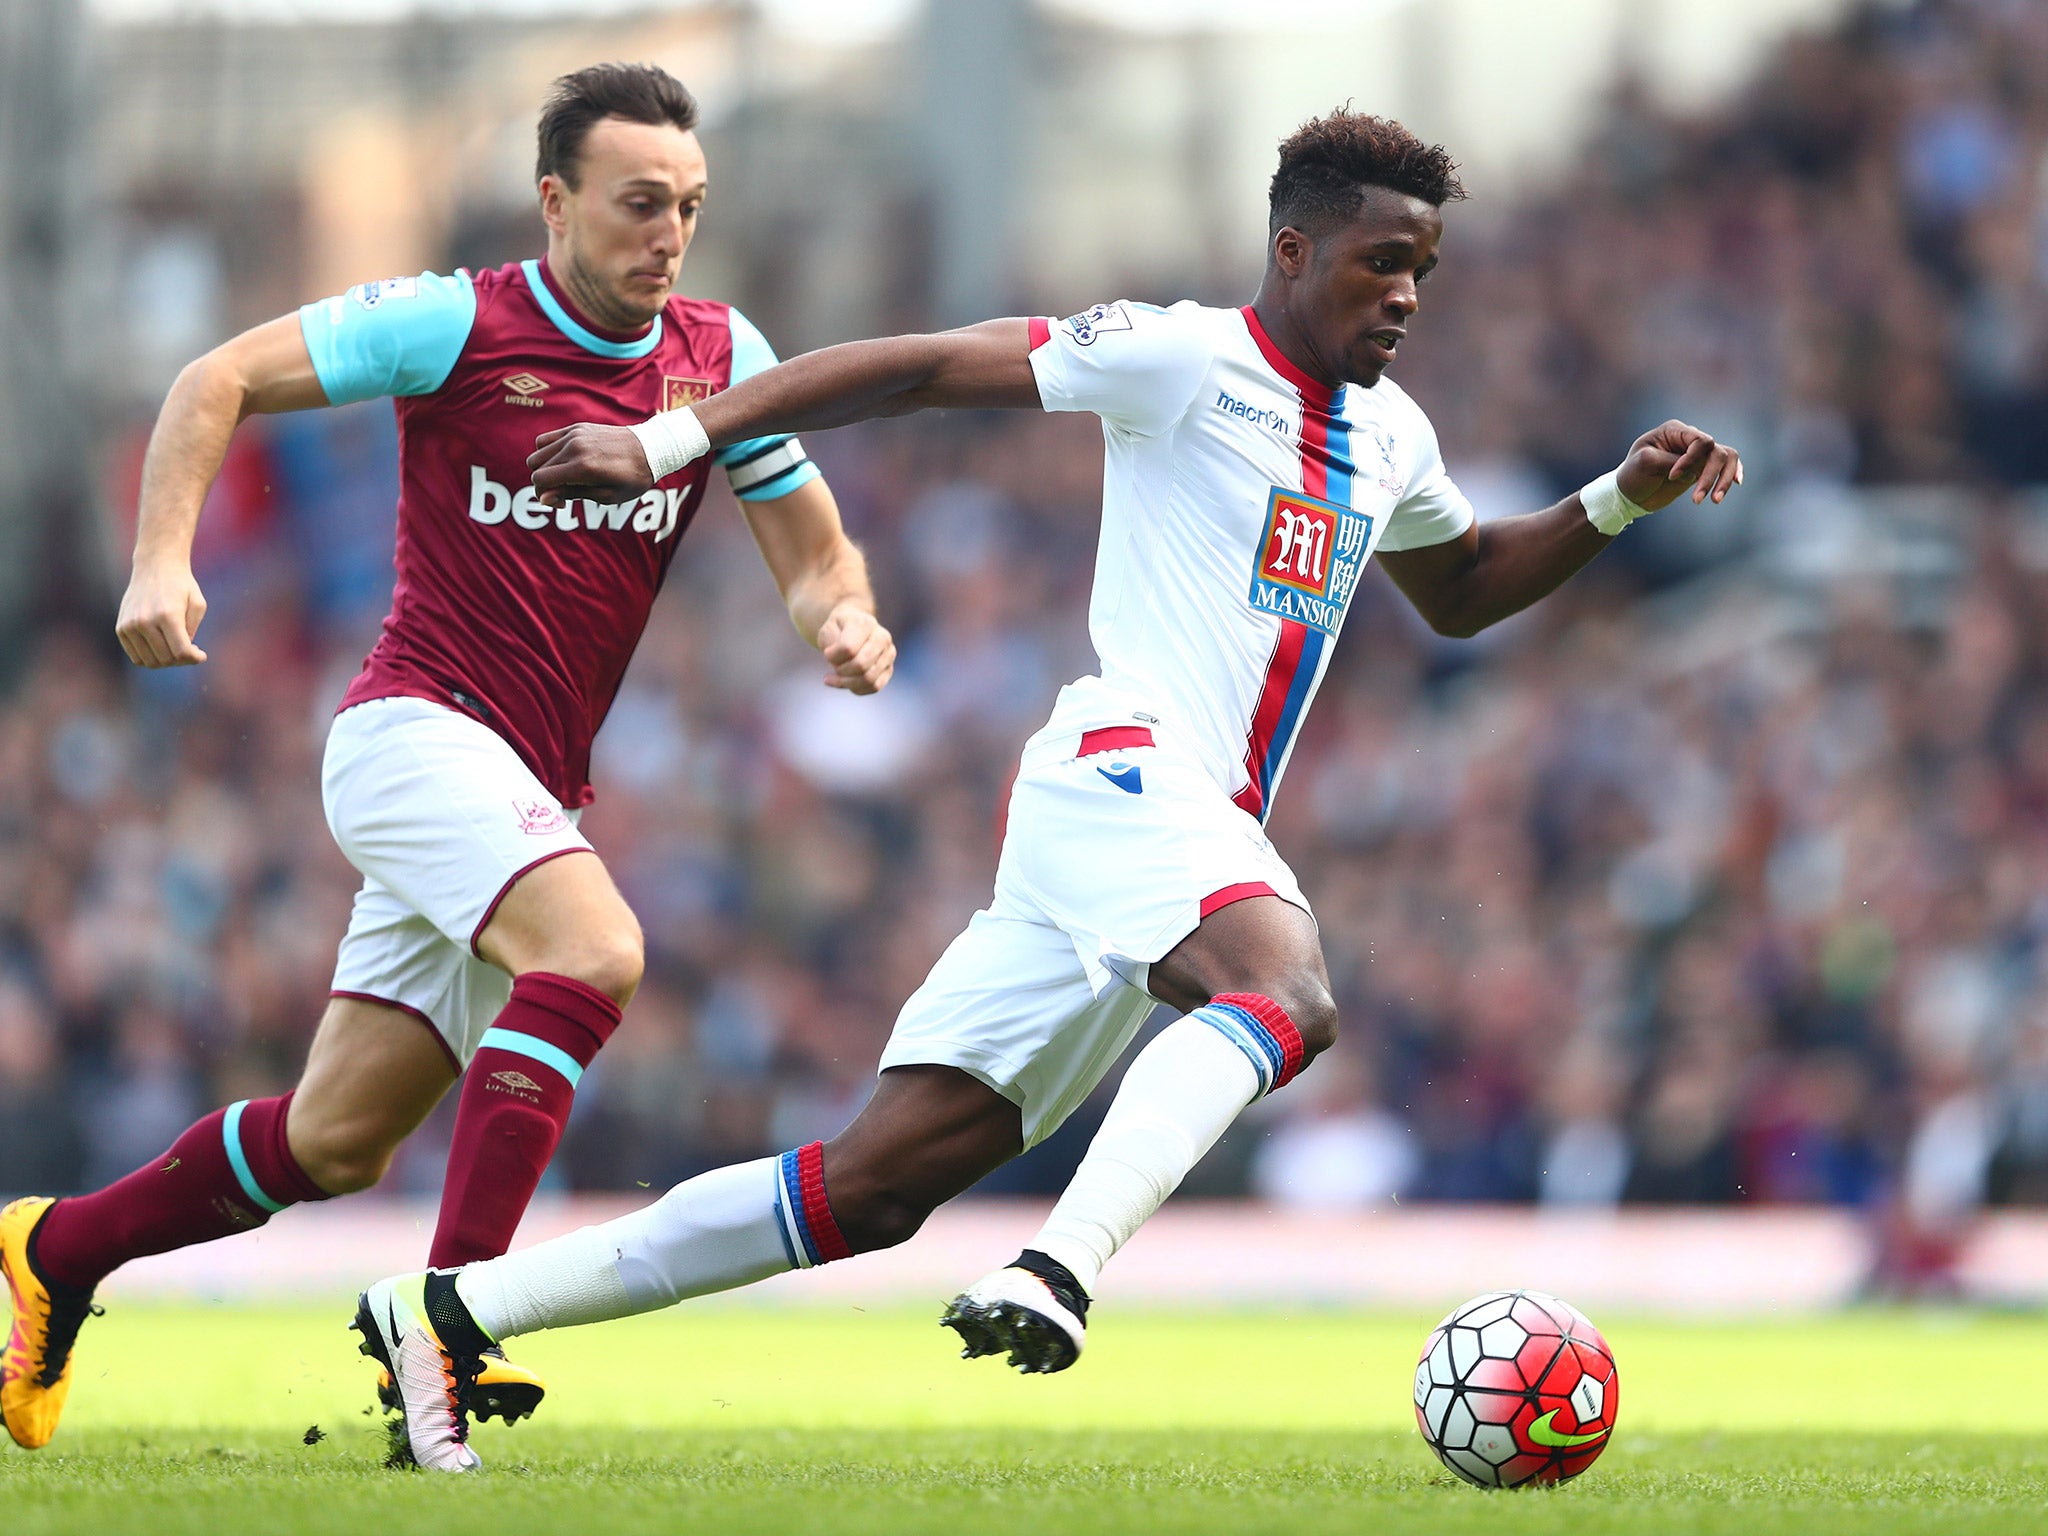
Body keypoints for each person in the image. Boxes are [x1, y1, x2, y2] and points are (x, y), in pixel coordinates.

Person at [357, 108, 1742, 1472]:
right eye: (1383, 260)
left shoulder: (1391, 438)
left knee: (873, 1187)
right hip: (1126, 777)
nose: (1405, 294)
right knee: (1289, 994)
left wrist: (1614, 500)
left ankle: (449, 1312)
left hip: (1157, 835)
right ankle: (1060, 1270)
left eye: (1424, 269)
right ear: (1295, 246)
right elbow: (922, 368)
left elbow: (1464, 589)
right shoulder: (1183, 357)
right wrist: (672, 441)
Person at [0, 62, 894, 1453]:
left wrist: (841, 617)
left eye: (691, 209)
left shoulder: (720, 355)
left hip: (522, 785)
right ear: (556, 201)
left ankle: (59, 1248)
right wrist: (160, 562)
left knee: (335, 1141)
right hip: (412, 734)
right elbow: (213, 378)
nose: (669, 236)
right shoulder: (453, 322)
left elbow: (811, 546)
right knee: (595, 950)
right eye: (640, 204)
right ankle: (448, 1334)